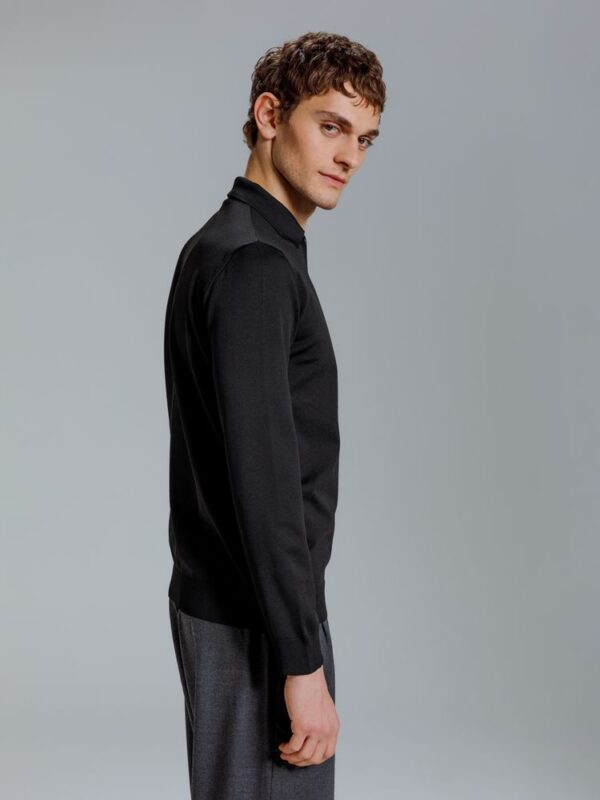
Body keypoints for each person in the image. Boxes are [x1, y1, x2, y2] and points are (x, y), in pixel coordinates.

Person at [164, 30, 386, 799]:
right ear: (269, 115)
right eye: (331, 126)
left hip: (245, 604)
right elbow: (262, 480)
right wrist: (301, 660)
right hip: (258, 620)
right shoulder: (255, 263)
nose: (350, 156)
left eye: (364, 138)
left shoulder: (230, 245)